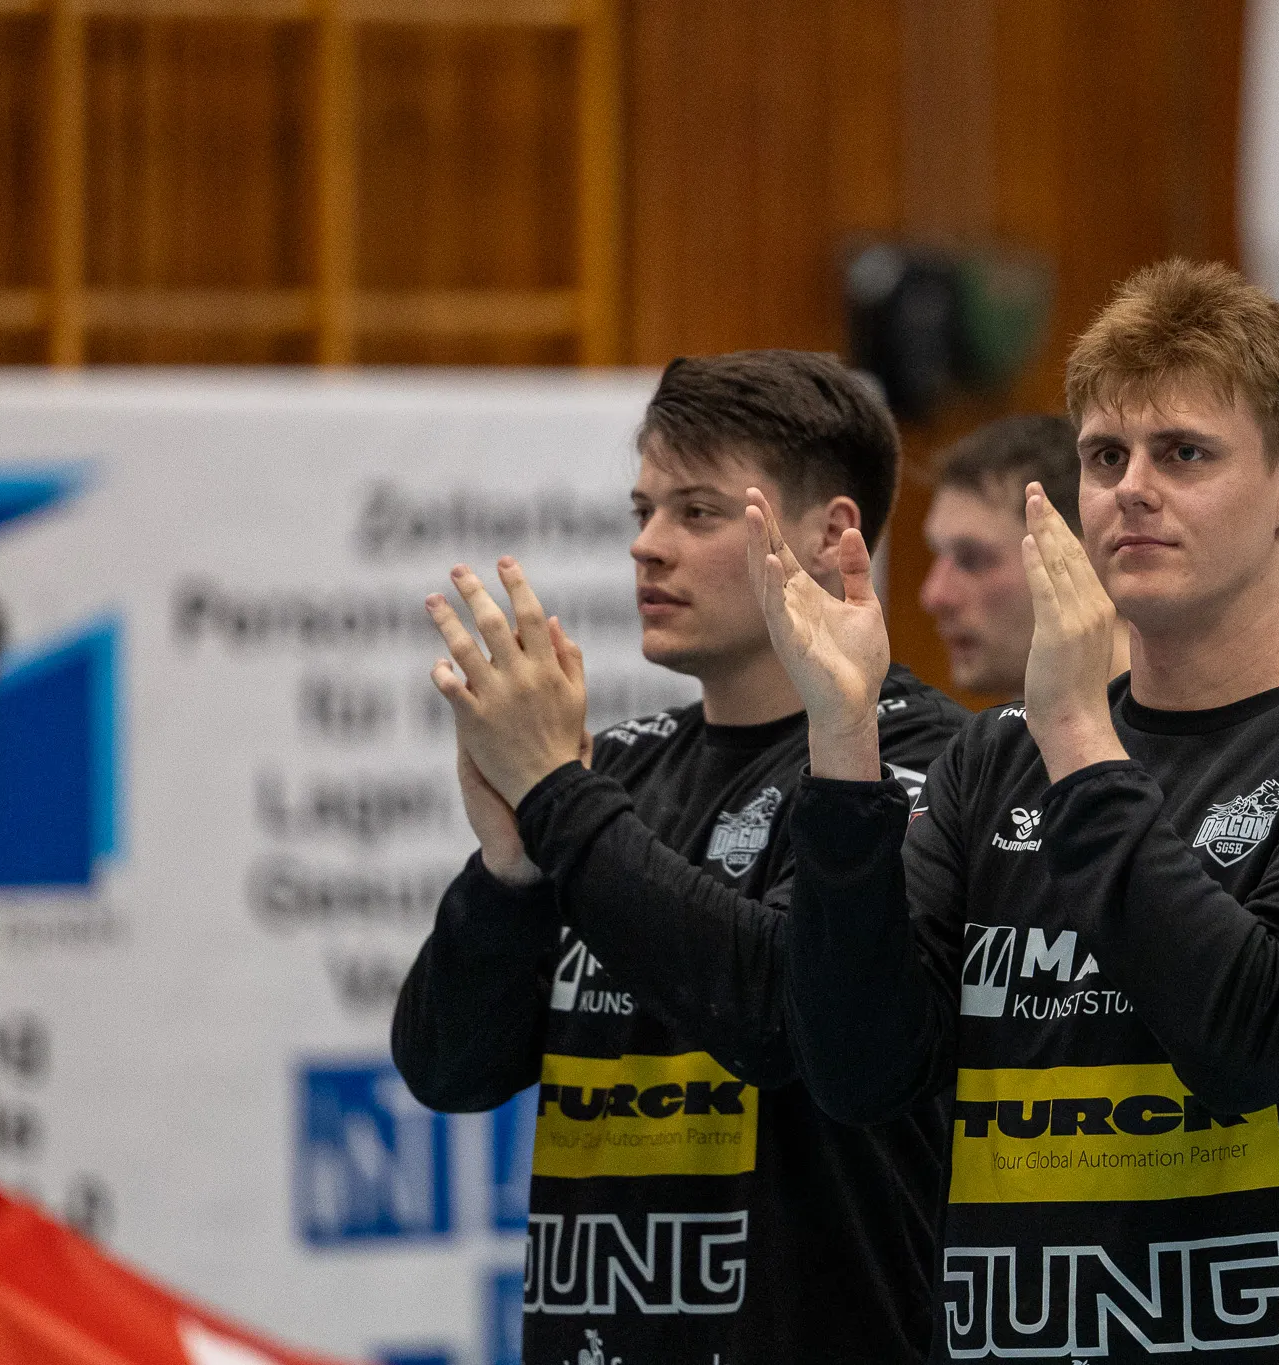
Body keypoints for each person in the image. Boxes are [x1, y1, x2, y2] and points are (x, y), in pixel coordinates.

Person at [749, 260, 1279, 1361]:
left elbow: (1251, 1035)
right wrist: (843, 740)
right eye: (1105, 456)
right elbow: (859, 1072)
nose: (1129, 489)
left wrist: (1075, 735)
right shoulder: (990, 761)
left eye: (1183, 454)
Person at [392, 350, 969, 1365]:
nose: (647, 548)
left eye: (697, 514)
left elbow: (776, 1013)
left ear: (831, 535)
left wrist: (559, 803)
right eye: (642, 510)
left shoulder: (928, 763)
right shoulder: (620, 767)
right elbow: (448, 1067)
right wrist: (509, 875)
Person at [920, 414, 1129, 696]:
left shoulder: (1178, 736)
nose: (934, 596)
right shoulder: (1002, 735)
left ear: (1080, 560)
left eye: (971, 560)